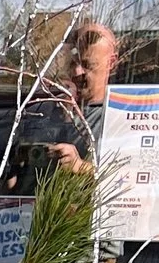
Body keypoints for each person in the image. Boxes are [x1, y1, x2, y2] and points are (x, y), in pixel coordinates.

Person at [47, 21, 117, 173]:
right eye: (73, 64)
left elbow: (132, 178)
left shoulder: (121, 116)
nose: (78, 72)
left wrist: (80, 167)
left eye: (87, 64)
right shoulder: (52, 109)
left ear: (111, 63)